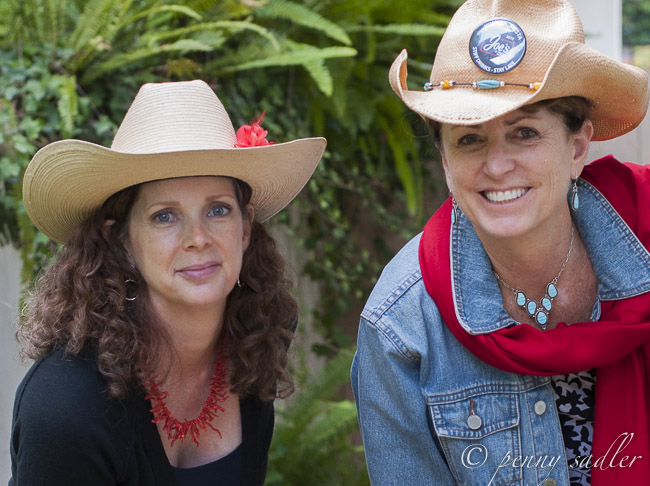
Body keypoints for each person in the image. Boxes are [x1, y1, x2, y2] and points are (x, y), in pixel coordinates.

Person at [351, 1, 650, 485]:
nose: (496, 166)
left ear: (577, 148)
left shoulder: (645, 236)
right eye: (469, 139)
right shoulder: (400, 328)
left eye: (524, 132)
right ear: (445, 162)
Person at [10, 79, 326, 486]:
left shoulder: (253, 348)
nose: (198, 238)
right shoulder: (65, 409)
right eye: (165, 216)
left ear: (245, 228)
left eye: (217, 210)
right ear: (119, 240)